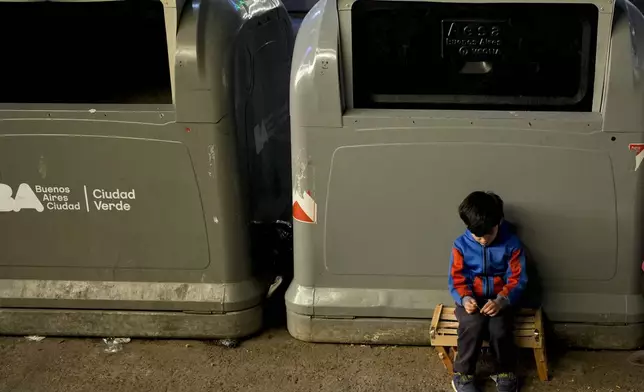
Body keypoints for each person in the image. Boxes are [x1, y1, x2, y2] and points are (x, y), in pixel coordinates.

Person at [448, 191, 528, 392]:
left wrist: (502, 300)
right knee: (470, 324)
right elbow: (457, 278)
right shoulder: (460, 245)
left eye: (489, 234)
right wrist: (465, 298)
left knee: (500, 328)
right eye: (478, 236)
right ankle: (463, 374)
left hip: (502, 300)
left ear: (498, 222)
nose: (483, 240)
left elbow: (517, 278)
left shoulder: (512, 244)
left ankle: (504, 371)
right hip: (471, 300)